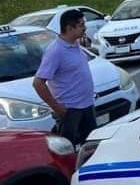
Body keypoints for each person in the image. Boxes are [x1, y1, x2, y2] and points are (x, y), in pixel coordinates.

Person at [33, 9, 96, 147]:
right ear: (69, 28)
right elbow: (38, 83)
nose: (85, 28)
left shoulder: (75, 44)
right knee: (67, 148)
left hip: (86, 105)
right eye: (81, 25)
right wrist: (58, 108)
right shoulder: (56, 51)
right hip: (70, 109)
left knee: (91, 146)